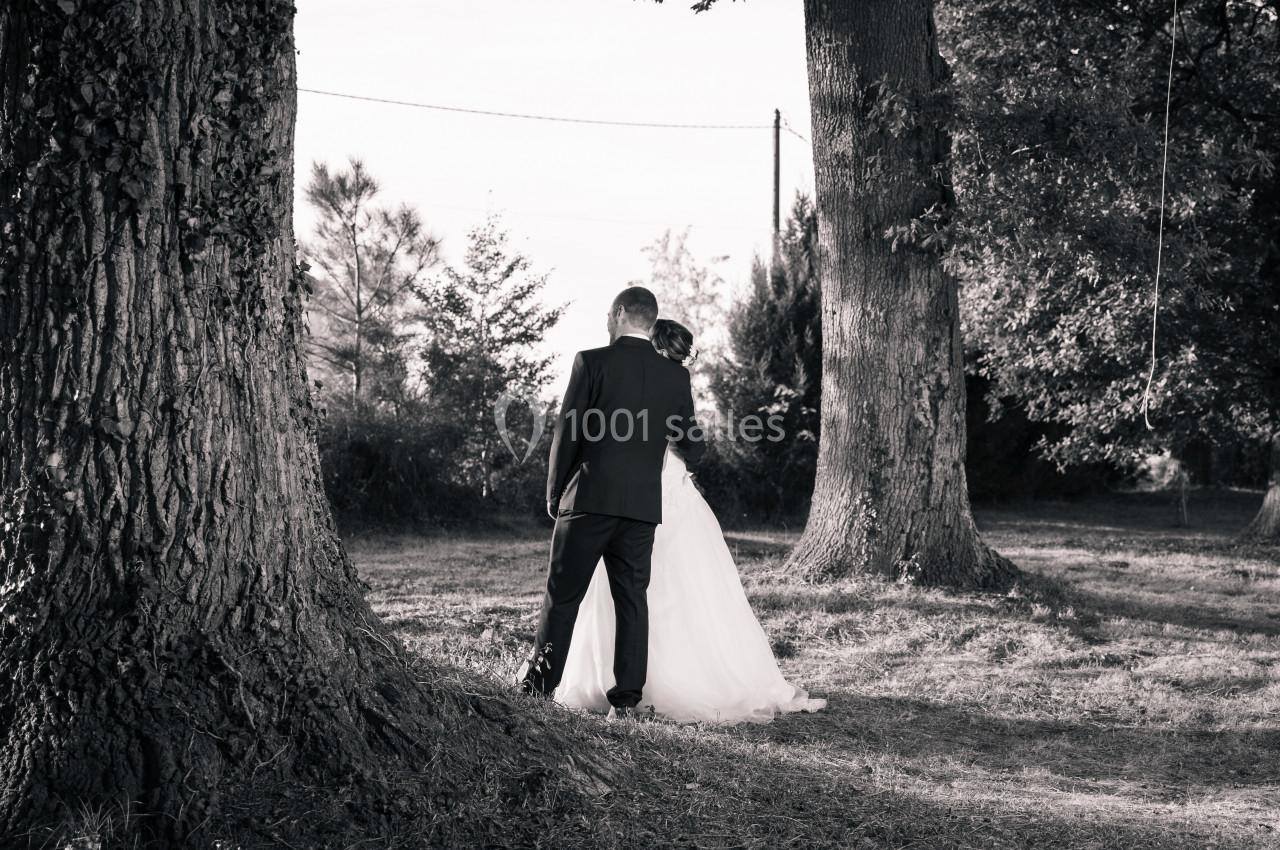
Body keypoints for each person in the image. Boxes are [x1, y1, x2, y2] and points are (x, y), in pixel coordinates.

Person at [555, 319, 826, 723]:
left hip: (615, 497)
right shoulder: (675, 381)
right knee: (659, 592)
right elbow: (693, 446)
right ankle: (643, 687)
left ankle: (611, 681)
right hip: (663, 494)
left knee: (625, 592)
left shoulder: (615, 373)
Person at [519, 287, 703, 720]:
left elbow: (568, 433)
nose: (606, 320)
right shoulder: (675, 376)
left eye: (608, 313)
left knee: (562, 597)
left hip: (588, 499)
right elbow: (693, 446)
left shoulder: (591, 362)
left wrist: (554, 490)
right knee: (631, 601)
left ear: (620, 314)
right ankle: (626, 702)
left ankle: (539, 689)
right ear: (650, 321)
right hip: (641, 507)